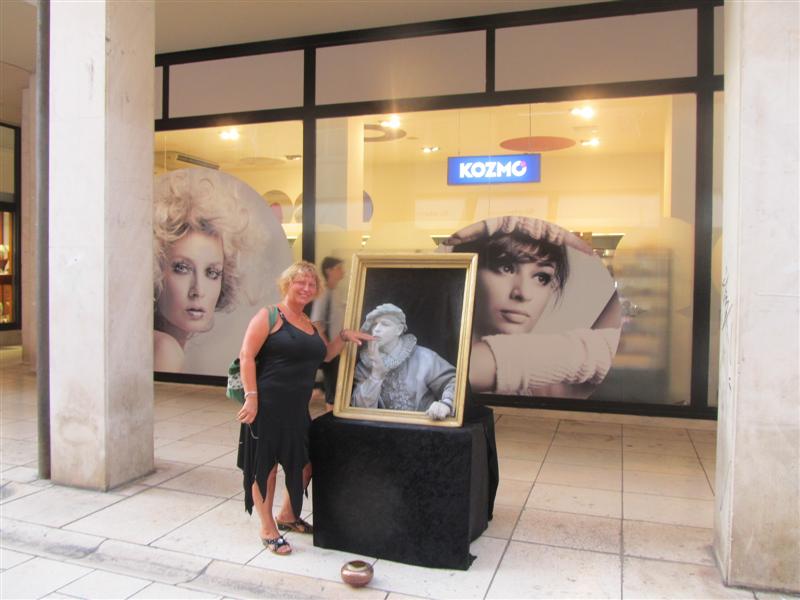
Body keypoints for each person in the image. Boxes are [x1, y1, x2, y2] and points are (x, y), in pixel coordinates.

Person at [236, 261, 371, 555]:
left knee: (305, 463)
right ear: (287, 283)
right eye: (301, 282)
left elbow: (326, 356)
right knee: (266, 468)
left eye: (311, 284)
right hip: (268, 405)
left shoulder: (309, 323)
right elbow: (246, 355)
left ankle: (286, 515)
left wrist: (344, 336)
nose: (306, 288)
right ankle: (267, 528)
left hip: (298, 409)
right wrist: (251, 397)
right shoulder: (270, 315)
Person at [442, 216, 621, 397]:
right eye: (506, 268)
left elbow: (606, 345)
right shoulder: (438, 363)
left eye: (541, 277)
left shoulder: (534, 384)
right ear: (464, 271)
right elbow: (597, 351)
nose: (524, 293)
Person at [153, 169, 248, 372]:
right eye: (182, 268)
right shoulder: (165, 350)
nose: (198, 290)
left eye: (212, 272)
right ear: (155, 272)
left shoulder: (157, 344)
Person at [351, 303, 456, 420]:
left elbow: (455, 381)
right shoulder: (364, 366)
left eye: (384, 324)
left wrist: (446, 403)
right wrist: (376, 375)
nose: (376, 329)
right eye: (374, 324)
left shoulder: (424, 357)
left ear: (399, 330)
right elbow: (359, 410)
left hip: (425, 427)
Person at [309, 256, 346, 412]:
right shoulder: (323, 293)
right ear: (329, 271)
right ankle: (330, 411)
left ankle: (317, 393)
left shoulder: (336, 292)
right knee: (332, 380)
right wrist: (327, 346)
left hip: (336, 345)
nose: (342, 271)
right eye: (339, 268)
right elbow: (317, 322)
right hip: (328, 346)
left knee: (332, 379)